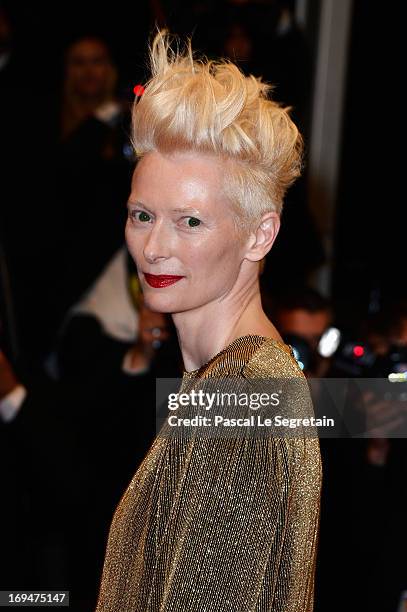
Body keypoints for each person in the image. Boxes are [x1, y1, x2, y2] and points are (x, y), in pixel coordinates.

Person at [95, 29, 322, 611]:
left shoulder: (241, 399)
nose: (153, 248)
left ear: (260, 234)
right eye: (142, 215)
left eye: (190, 222)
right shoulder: (233, 383)